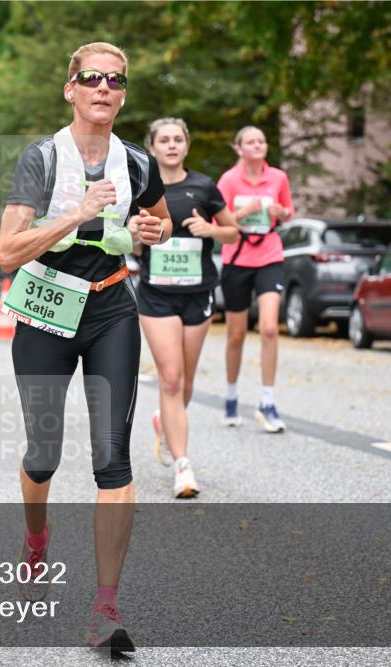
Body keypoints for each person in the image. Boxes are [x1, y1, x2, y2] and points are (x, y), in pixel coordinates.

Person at [0, 42, 170, 652]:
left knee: (112, 459)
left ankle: (105, 608)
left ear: (123, 94)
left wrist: (153, 230)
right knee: (43, 455)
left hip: (110, 309)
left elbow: (160, 223)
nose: (104, 87)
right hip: (46, 308)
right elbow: (9, 251)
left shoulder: (138, 162)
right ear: (70, 88)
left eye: (115, 80)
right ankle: (37, 537)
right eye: (91, 78)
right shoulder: (42, 159)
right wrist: (75, 214)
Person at [139, 118, 239, 498]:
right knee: (172, 379)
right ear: (152, 147)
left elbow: (233, 232)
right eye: (164, 140)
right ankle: (183, 467)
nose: (171, 145)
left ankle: (165, 420)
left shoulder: (203, 186)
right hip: (156, 294)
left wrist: (212, 231)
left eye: (178, 139)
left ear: (187, 145)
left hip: (198, 292)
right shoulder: (143, 189)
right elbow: (125, 236)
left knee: (187, 381)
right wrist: (134, 231)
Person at [217, 126, 294, 432]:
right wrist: (243, 212)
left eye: (262, 140)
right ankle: (232, 395)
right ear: (239, 149)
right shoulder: (228, 180)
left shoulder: (278, 178)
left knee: (270, 329)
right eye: (251, 141)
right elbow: (216, 223)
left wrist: (281, 212)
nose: (258, 145)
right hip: (236, 258)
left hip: (269, 255)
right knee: (236, 334)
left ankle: (268, 401)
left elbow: (289, 212)